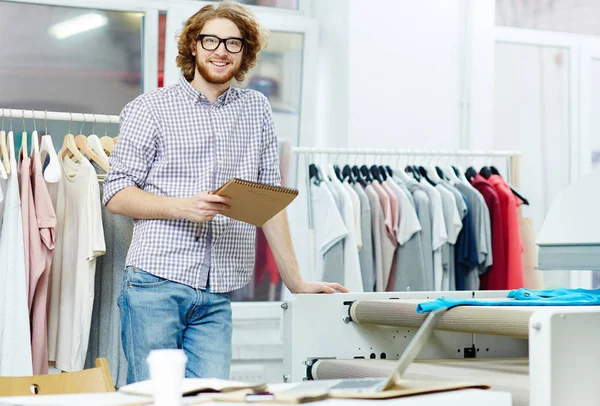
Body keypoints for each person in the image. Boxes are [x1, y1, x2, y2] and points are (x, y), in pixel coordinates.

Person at [102, 0, 347, 385]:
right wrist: (182, 207)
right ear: (193, 46)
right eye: (211, 40)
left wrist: (295, 281)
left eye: (233, 44)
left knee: (214, 397)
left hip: (218, 292)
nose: (221, 51)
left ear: (245, 52)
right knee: (155, 396)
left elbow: (269, 200)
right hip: (156, 283)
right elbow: (115, 193)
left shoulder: (256, 109)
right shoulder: (150, 108)